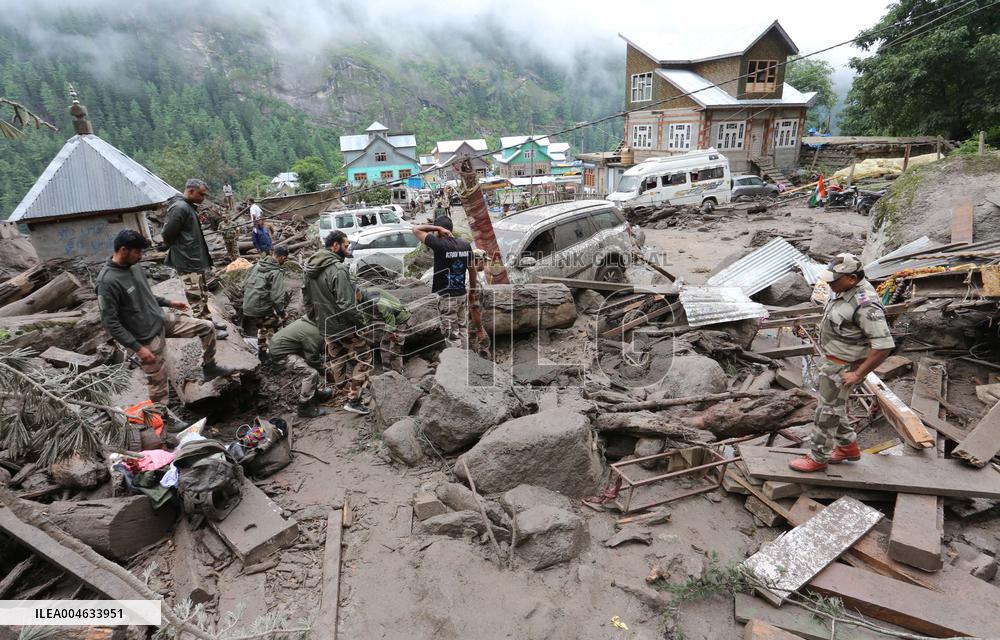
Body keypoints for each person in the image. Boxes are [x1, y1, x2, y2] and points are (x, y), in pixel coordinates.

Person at [96, 230, 231, 409]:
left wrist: (168, 302)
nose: (140, 256)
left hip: (160, 319)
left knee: (206, 327)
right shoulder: (107, 282)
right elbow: (109, 323)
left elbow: (145, 294)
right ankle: (161, 416)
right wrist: (138, 348)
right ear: (123, 250)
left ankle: (210, 367)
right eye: (137, 252)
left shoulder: (134, 266)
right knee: (158, 383)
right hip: (145, 336)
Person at [789, 253, 895, 472]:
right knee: (833, 406)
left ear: (852, 278)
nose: (829, 284)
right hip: (832, 361)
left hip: (844, 366)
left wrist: (858, 374)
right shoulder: (843, 290)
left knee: (826, 412)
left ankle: (818, 457)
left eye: (834, 280)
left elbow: (883, 346)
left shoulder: (866, 305)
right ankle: (847, 447)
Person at [303, 230, 371, 415]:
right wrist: (362, 324)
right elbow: (347, 304)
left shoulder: (309, 267)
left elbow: (306, 300)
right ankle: (353, 399)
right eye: (346, 245)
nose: (348, 249)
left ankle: (343, 393)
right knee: (365, 358)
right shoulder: (338, 269)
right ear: (335, 246)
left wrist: (317, 320)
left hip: (326, 326)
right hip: (344, 326)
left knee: (337, 359)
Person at [161, 178, 227, 339]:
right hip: (187, 260)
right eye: (201, 194)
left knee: (202, 294)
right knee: (195, 297)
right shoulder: (179, 208)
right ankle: (206, 330)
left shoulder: (188, 206)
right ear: (191, 191)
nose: (203, 198)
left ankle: (208, 321)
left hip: (194, 259)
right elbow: (167, 234)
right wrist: (182, 247)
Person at [413, 217, 476, 349]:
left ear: (440, 231)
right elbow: (472, 269)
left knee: (452, 334)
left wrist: (437, 227)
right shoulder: (465, 245)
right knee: (462, 328)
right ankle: (466, 355)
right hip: (461, 294)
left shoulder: (439, 244)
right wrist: (472, 291)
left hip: (447, 298)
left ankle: (457, 359)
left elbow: (415, 229)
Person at [268, 317, 333, 418]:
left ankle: (315, 394)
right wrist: (325, 371)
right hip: (281, 353)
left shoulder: (312, 321)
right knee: (311, 373)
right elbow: (312, 359)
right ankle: (304, 407)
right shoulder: (314, 334)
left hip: (285, 345)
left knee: (311, 368)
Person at [242, 246, 289, 361]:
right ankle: (278, 357)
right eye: (285, 259)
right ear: (282, 258)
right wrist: (282, 314)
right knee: (277, 326)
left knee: (263, 325)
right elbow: (277, 297)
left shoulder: (256, 265)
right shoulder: (276, 272)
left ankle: (262, 353)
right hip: (261, 308)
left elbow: (243, 285)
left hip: (247, 307)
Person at [357, 287, 410, 374]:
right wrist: (366, 328)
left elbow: (388, 312)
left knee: (395, 347)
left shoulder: (372, 296)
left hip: (400, 317)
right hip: (391, 320)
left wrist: (391, 331)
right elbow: (366, 313)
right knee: (384, 345)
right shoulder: (362, 298)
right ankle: (387, 372)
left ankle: (398, 373)